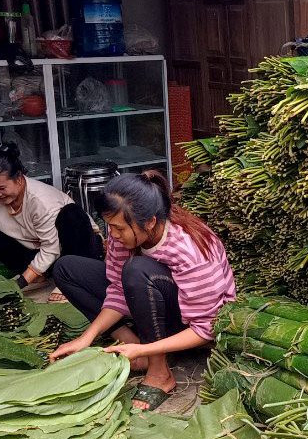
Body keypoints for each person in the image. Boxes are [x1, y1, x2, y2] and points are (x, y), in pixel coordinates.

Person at [48, 169, 236, 410]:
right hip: (148, 300)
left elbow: (207, 328)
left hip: (191, 324)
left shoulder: (188, 249)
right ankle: (134, 348)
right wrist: (86, 338)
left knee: (137, 270)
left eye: (119, 228)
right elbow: (117, 290)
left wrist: (145, 348)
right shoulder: (124, 233)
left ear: (150, 222)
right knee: (66, 268)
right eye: (110, 226)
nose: (112, 235)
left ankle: (159, 373)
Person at [0, 143, 103, 290]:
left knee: (71, 214)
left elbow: (50, 248)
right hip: (39, 253)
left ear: (19, 179)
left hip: (77, 251)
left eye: (2, 187)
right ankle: (38, 275)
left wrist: (22, 283)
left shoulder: (40, 200)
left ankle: (74, 280)